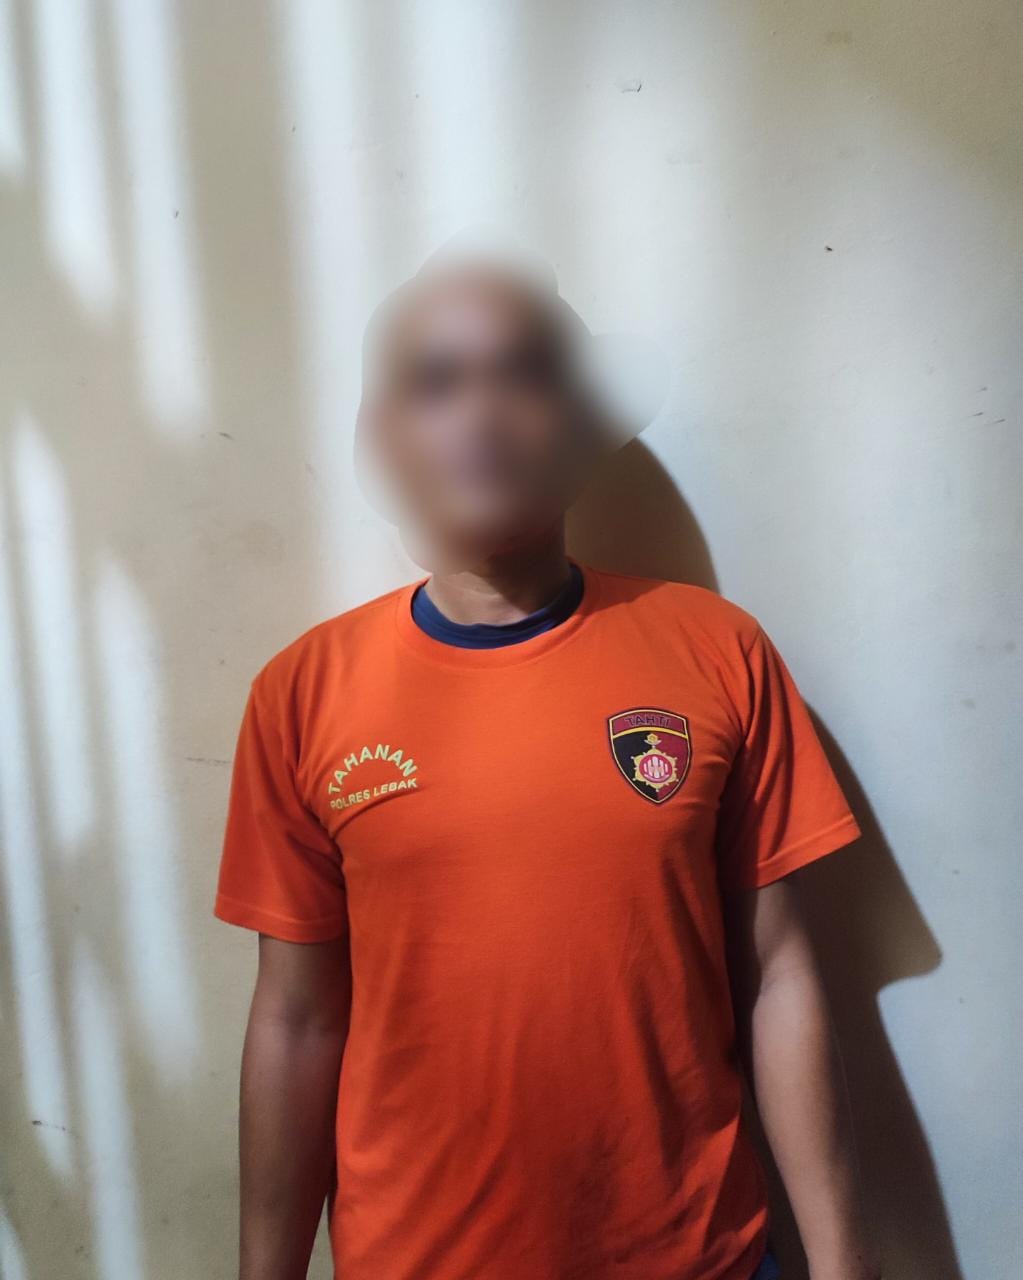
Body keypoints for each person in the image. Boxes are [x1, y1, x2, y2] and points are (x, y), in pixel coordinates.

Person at [213, 250, 879, 1280]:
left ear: (573, 422)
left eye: (521, 374)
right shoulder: (303, 693)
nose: (480, 415)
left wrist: (842, 1264)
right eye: (437, 383)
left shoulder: (715, 650)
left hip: (699, 1256)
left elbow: (781, 973)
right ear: (386, 437)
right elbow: (297, 1020)